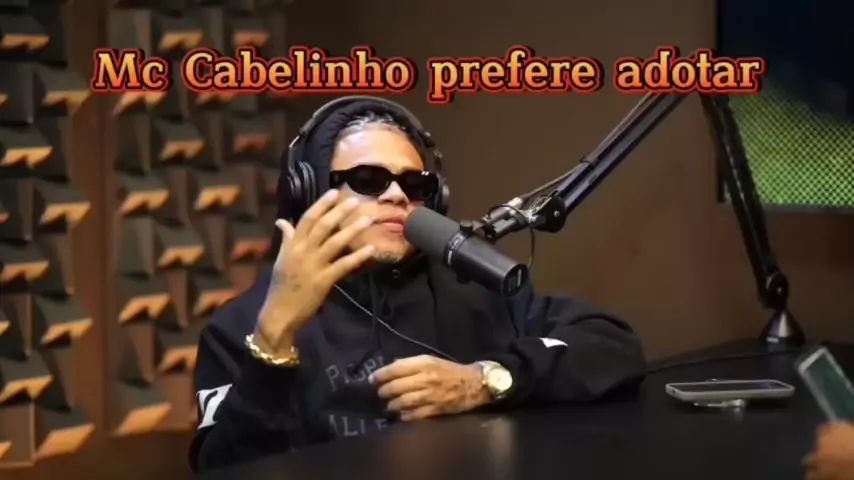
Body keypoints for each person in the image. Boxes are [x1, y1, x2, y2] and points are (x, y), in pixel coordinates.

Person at [188, 96, 648, 472]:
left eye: (414, 184)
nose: (396, 195)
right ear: (309, 192)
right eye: (368, 180)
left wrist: (485, 380)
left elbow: (612, 345)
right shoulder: (242, 326)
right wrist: (273, 339)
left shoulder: (473, 289)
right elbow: (222, 466)